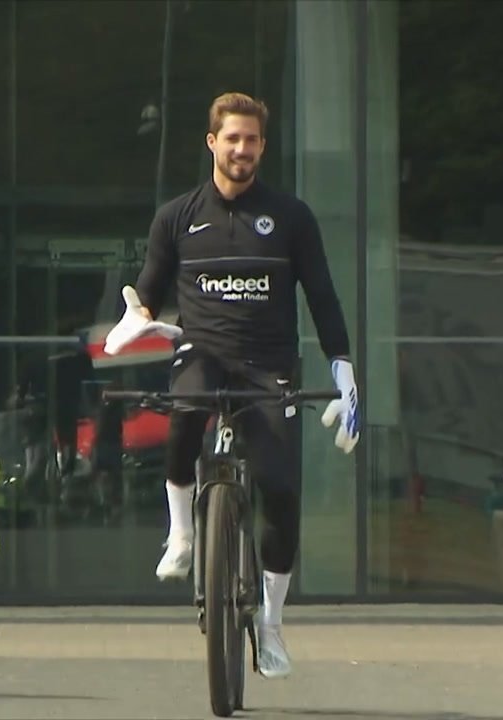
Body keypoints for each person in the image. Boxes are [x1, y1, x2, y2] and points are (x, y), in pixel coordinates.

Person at [104, 91, 360, 680]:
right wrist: (135, 318)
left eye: (252, 140)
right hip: (203, 351)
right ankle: (182, 535)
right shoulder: (176, 215)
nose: (241, 149)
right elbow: (148, 287)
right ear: (212, 142)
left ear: (262, 147)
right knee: (185, 409)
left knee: (280, 490)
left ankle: (270, 623)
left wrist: (343, 371)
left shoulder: (292, 218)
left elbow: (321, 296)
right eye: (232, 138)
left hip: (270, 365)